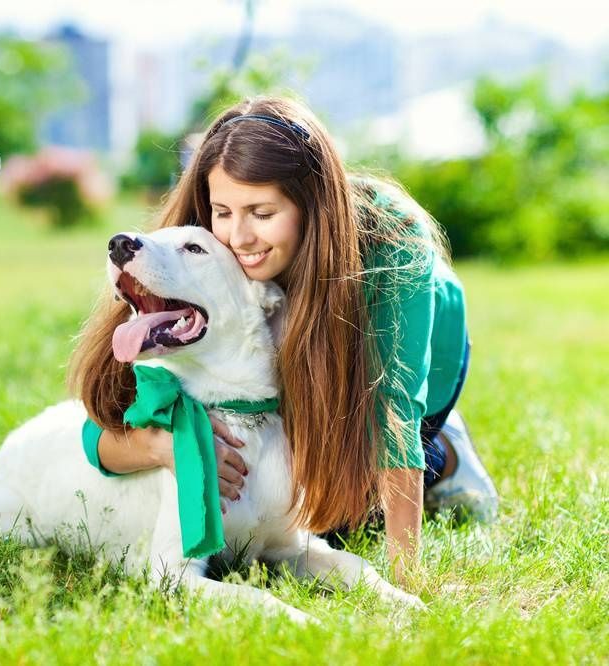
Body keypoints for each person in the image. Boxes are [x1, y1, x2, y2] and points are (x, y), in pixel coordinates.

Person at [68, 96, 498, 585]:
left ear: (309, 202)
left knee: (332, 520)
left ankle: (446, 457)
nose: (238, 237)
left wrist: (405, 580)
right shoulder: (195, 249)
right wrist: (166, 446)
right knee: (279, 496)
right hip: (287, 349)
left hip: (400, 356)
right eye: (223, 212)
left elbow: (393, 415)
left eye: (262, 212)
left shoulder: (393, 240)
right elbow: (105, 419)